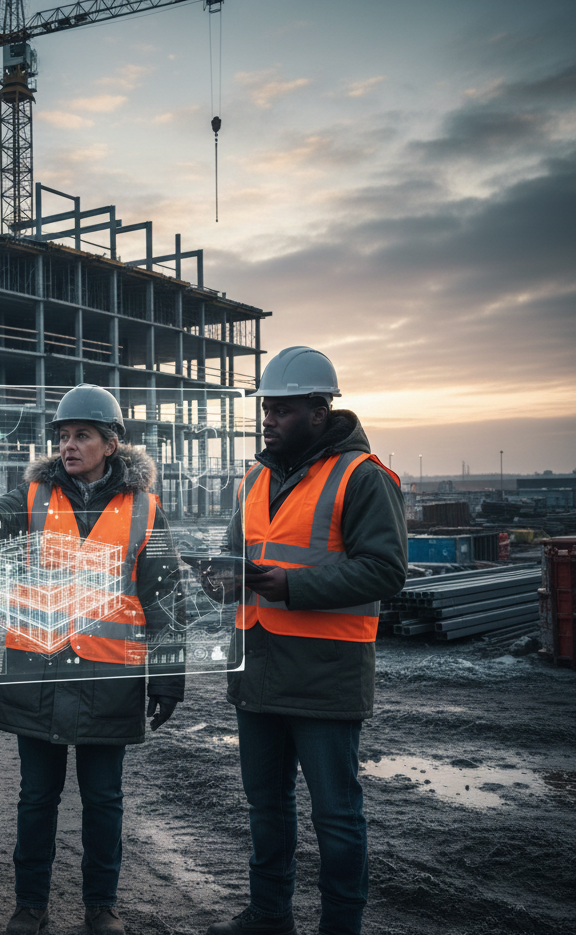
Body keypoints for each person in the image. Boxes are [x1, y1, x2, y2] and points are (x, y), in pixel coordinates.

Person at [200, 347, 407, 935]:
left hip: (325, 671)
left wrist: (290, 585)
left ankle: (341, 926)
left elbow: (386, 571)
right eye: (267, 408)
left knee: (336, 816)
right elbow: (240, 556)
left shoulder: (363, 477)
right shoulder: (256, 476)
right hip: (257, 668)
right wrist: (221, 578)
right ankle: (270, 915)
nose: (269, 419)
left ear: (320, 411)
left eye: (283, 410)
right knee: (266, 808)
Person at [0, 384, 186, 935]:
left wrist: (167, 676)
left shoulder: (144, 509)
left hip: (110, 677)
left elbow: (164, 596)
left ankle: (100, 908)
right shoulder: (33, 498)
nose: (69, 445)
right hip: (38, 672)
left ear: (110, 443)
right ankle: (30, 905)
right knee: (37, 796)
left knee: (104, 798)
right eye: (63, 436)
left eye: (81, 435)